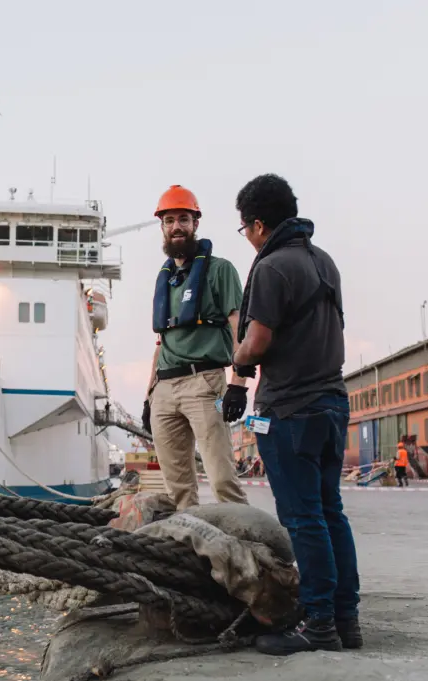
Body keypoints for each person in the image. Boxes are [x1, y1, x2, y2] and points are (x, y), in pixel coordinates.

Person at [231, 173, 361, 655]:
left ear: (258, 225)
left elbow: (258, 340)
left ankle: (319, 624)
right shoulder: (324, 262)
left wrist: (238, 362)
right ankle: (346, 619)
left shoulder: (272, 268)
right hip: (332, 402)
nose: (247, 239)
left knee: (303, 518)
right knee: (331, 512)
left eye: (245, 230)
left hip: (290, 408)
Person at [142, 184, 249, 511]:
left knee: (221, 479)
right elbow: (161, 344)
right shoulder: (165, 278)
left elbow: (238, 328)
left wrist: (239, 384)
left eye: (184, 219)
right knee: (177, 488)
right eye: (170, 220)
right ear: (161, 226)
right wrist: (149, 397)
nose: (177, 226)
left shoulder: (220, 270)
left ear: (195, 224)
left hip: (204, 384)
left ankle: (246, 548)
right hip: (164, 389)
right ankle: (191, 553)